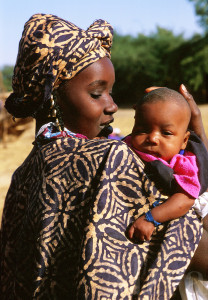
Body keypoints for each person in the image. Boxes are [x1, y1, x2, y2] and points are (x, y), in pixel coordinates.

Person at [0, 13, 206, 299]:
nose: (112, 105)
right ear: (52, 98)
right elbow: (196, 243)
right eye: (97, 94)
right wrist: (197, 142)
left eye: (111, 91)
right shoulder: (112, 160)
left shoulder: (26, 172)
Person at [124, 87, 208, 242]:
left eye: (166, 133)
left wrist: (151, 218)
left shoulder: (183, 162)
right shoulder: (126, 146)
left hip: (199, 207)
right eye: (142, 130)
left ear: (184, 141)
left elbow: (186, 197)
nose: (153, 138)